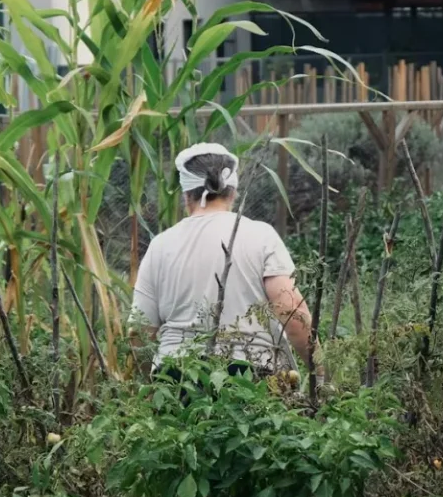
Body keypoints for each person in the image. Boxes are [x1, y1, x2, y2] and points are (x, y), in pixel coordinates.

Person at [131, 143, 314, 377]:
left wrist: (149, 383)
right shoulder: (261, 236)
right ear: (233, 192)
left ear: (186, 196)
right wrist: (319, 373)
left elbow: (139, 332)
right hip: (251, 373)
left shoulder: (160, 246)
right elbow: (291, 311)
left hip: (176, 375)